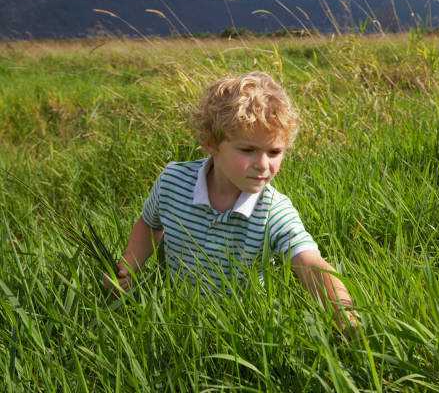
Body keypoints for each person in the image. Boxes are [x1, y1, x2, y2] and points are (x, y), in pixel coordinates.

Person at [104, 71, 359, 335]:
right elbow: (150, 224)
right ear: (211, 144)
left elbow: (309, 262)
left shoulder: (273, 211)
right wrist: (127, 268)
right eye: (247, 150)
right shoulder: (173, 182)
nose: (263, 165)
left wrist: (343, 310)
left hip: (243, 331)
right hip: (173, 321)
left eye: (274, 152)